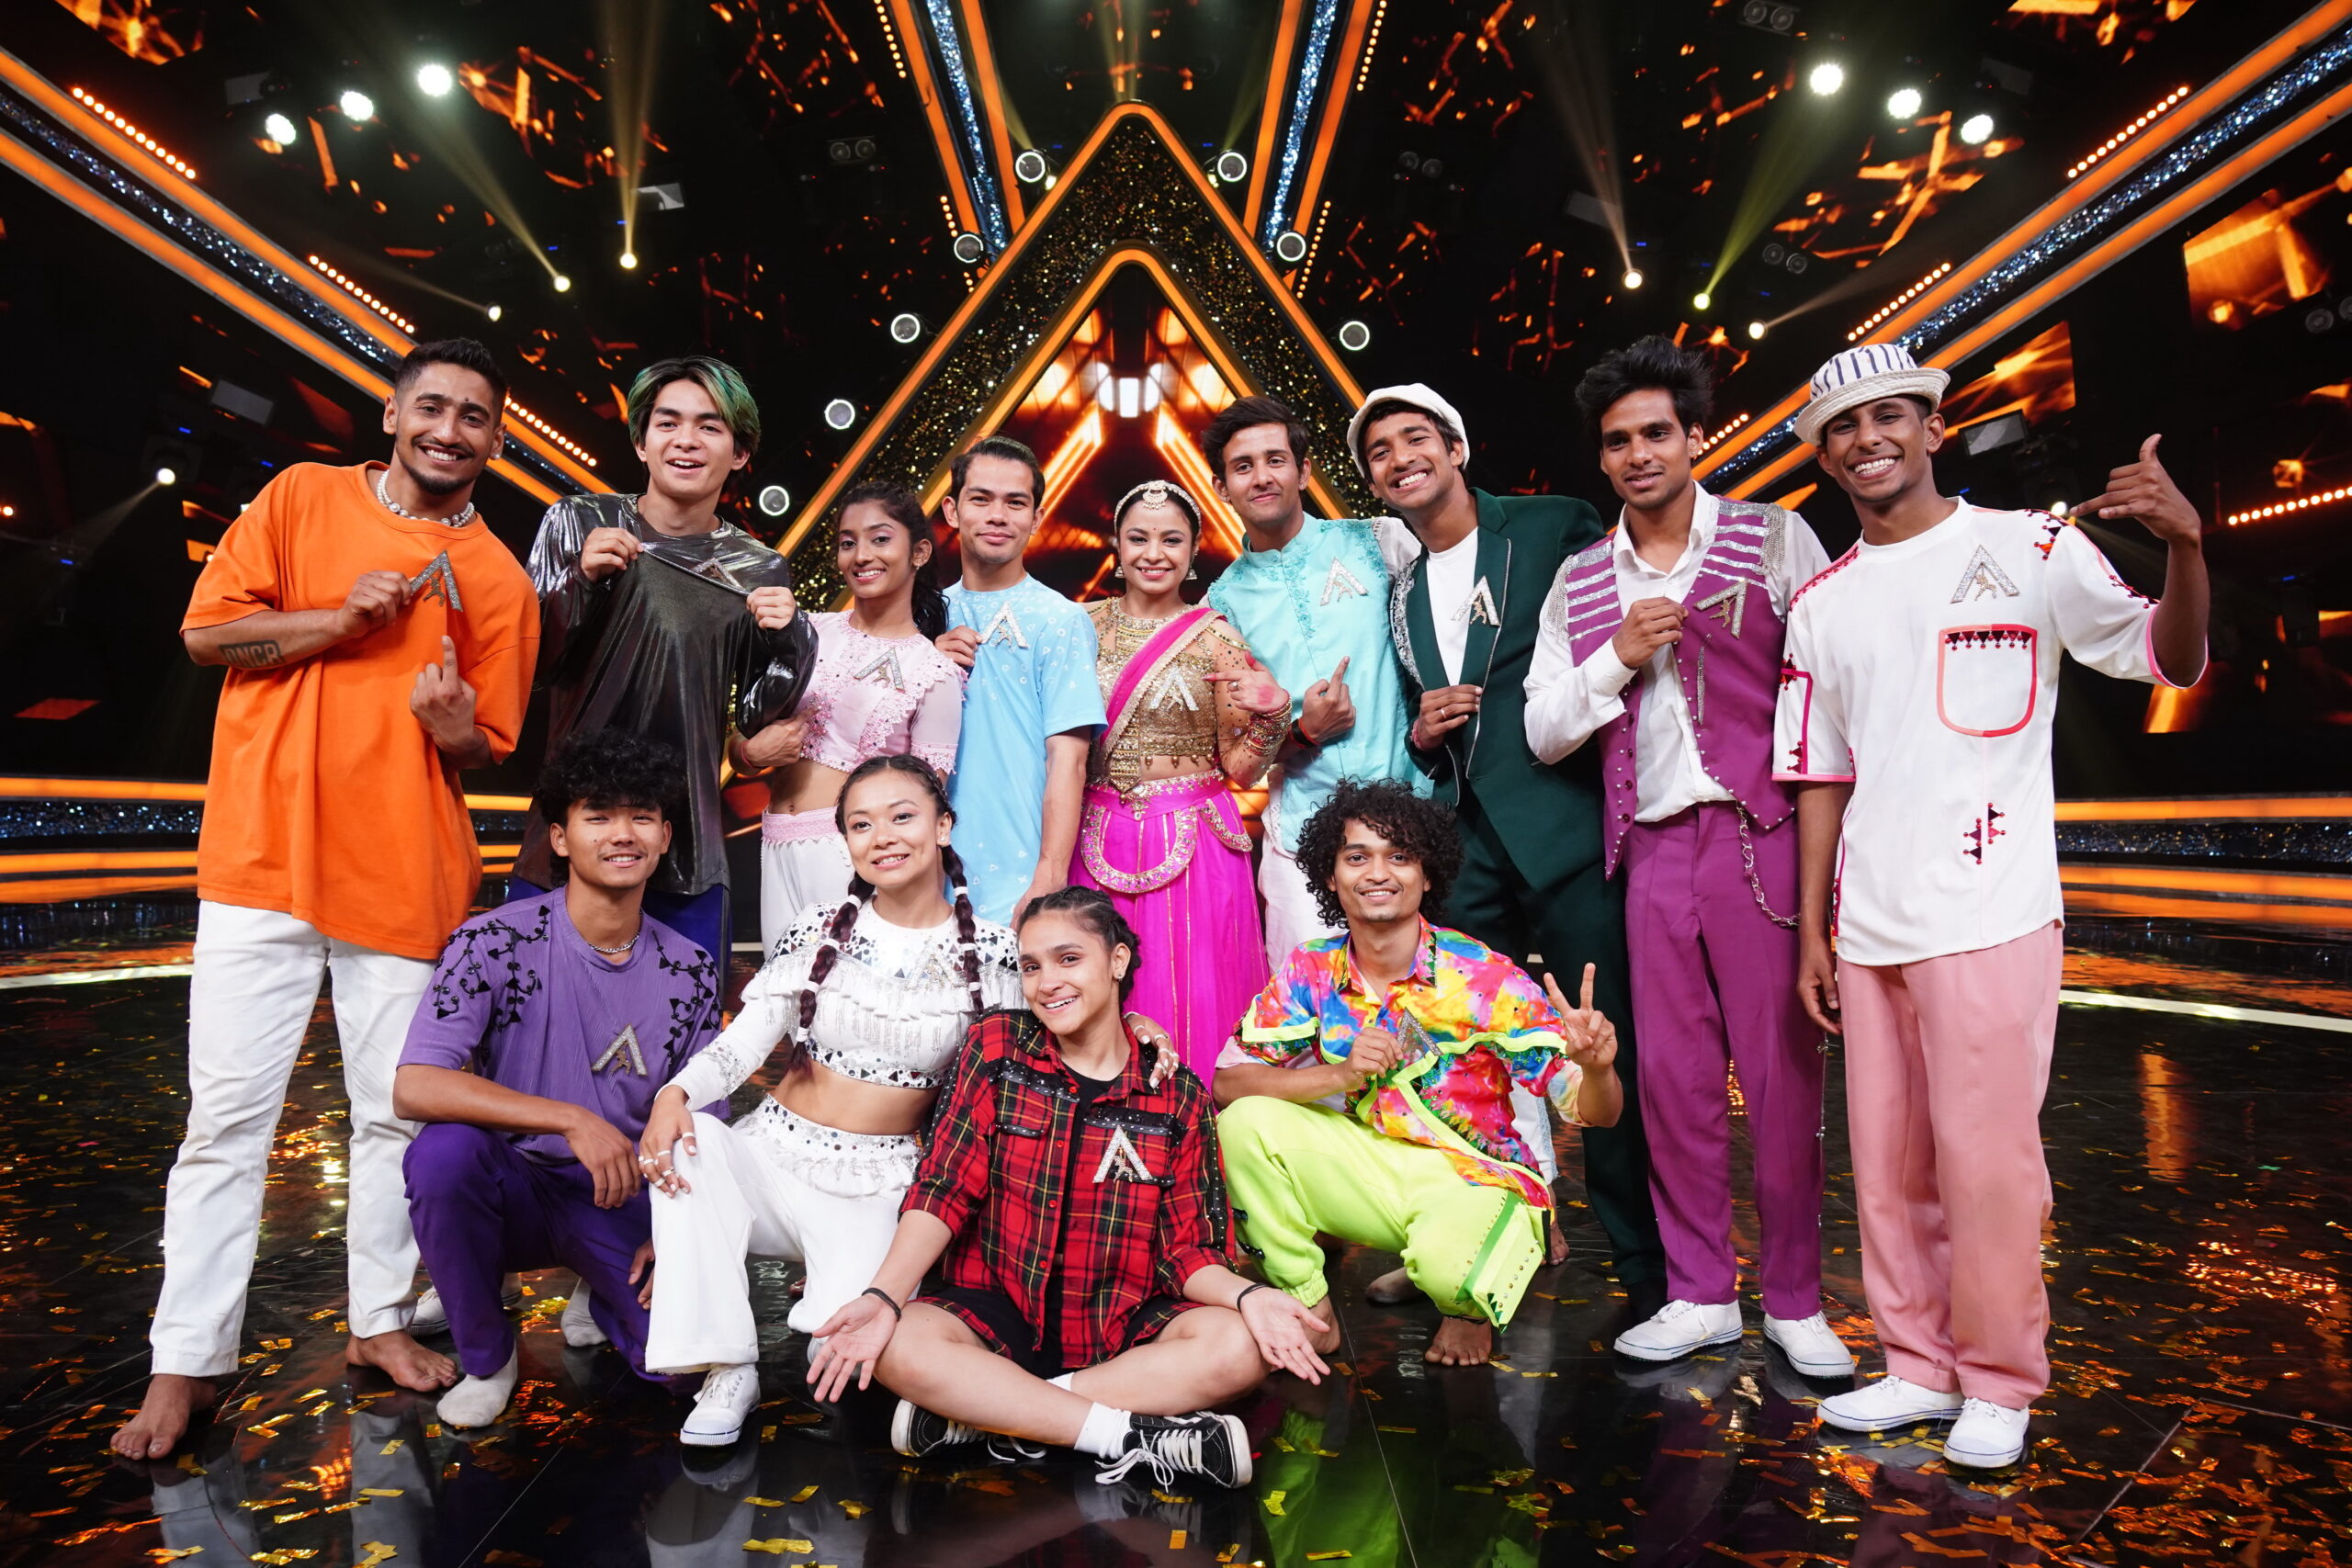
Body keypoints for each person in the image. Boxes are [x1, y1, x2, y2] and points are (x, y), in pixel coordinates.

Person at [1774, 344, 2209, 1467]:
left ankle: (2001, 1380)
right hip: (1868, 922)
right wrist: (1814, 930)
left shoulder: (2030, 548)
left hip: (1991, 909)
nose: (1866, 440)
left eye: (1888, 417)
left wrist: (2184, 546)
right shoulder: (1820, 602)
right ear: (1823, 458)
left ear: (1932, 427)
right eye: (1841, 428)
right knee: (1887, 1165)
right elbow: (1819, 774)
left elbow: (2164, 657)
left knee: (1988, 1165)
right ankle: (1916, 1365)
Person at [116, 339, 539, 1459]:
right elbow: (206, 635)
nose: (450, 430)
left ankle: (379, 1322)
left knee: (394, 1119)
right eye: (433, 407)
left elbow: (488, 745)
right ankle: (185, 1361)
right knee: (225, 1122)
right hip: (263, 861)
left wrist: (453, 725)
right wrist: (339, 623)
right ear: (393, 414)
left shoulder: (499, 579)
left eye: (475, 417)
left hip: (404, 873)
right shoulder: (302, 498)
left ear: (496, 440)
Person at [1521, 337, 1851, 1377]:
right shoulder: (1580, 581)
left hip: (1763, 838)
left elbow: (1834, 686)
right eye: (1618, 440)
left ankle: (1794, 1298)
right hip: (1650, 849)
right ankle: (1701, 1292)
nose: (1638, 454)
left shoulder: (1774, 539)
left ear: (1694, 436)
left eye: (1656, 432)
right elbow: (1542, 730)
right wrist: (1615, 658)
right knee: (1671, 1084)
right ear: (1601, 457)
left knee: (1783, 1080)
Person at [801, 886, 1333, 1490]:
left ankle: (988, 1413)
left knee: (1240, 1346)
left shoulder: (1177, 1094)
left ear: (1117, 960)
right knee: (898, 1342)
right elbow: (945, 1187)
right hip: (996, 1311)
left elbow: (1187, 1251)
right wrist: (883, 1296)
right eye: (1031, 966)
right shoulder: (997, 1048)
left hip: (1120, 1326)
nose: (1047, 982)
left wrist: (1249, 1296)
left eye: (1069, 958)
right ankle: (1122, 1435)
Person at [1357, 384, 1667, 1311]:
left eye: (1416, 437)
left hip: (1564, 828)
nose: (1401, 458)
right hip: (1465, 846)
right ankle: (1465, 1242)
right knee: (1458, 1056)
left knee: (1601, 1045)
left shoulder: (1548, 525)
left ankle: (1645, 1270)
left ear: (1455, 447)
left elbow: (1617, 614)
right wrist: (1422, 733)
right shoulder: (1401, 591)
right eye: (1380, 451)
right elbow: (1426, 719)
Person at [635, 754, 1022, 1446]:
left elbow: (1050, 1042)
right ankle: (728, 1367)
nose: (883, 837)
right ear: (845, 841)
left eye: (902, 816)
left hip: (881, 1184)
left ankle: (826, 1304)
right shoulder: (818, 928)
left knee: (838, 1353)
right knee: (692, 1137)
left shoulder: (995, 952)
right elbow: (743, 1044)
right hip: (771, 1160)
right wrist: (676, 1092)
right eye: (861, 824)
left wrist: (1132, 1024)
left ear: (943, 826)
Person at [1215, 781, 1626, 1368]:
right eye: (1357, 857)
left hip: (1478, 1177)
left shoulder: (1484, 976)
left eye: (1400, 856)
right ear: (1330, 876)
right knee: (1244, 1125)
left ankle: (1464, 1301)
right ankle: (1310, 1309)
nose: (1378, 873)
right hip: (1375, 1169)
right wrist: (1339, 1075)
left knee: (1450, 1274)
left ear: (1427, 875)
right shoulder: (1313, 967)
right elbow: (1228, 1083)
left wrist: (1598, 1068)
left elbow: (1595, 1113)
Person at [392, 729, 723, 1428]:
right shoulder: (492, 941)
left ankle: (601, 1287)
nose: (622, 833)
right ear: (561, 838)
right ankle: (488, 1357)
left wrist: (682, 1230)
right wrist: (571, 1119)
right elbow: (415, 1084)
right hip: (512, 1183)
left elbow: (707, 1118)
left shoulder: (690, 968)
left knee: (680, 1370)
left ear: (665, 836)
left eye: (641, 816)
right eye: (598, 816)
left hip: (621, 1191)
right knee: (442, 1154)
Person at [511, 354, 813, 965]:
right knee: (537, 1019)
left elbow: (756, 716)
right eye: (668, 423)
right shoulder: (578, 522)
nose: (686, 440)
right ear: (641, 442)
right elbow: (525, 664)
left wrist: (795, 641)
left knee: (683, 1024)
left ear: (740, 452)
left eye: (709, 426)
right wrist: (580, 580)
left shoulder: (758, 567)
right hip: (566, 841)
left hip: (688, 848)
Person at [1072, 478, 1290, 1082]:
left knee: (1196, 986)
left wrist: (1274, 715)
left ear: (1194, 552)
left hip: (1195, 844)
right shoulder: (1080, 627)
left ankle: (1195, 1124)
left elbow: (1241, 767)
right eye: (1138, 538)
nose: (1154, 553)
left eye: (1171, 540)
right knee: (1092, 978)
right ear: (1117, 545)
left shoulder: (1218, 638)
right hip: (1094, 832)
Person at [1200, 395, 1419, 964]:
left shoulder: (1380, 542)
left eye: (1275, 460)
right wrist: (1303, 732)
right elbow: (1232, 759)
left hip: (1413, 815)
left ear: (1303, 471)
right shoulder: (1220, 606)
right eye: (1243, 466)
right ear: (1222, 487)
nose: (1261, 477)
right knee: (1308, 1002)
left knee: (1424, 998)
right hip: (1301, 835)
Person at [756, 481, 964, 954]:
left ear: (919, 552)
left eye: (880, 539)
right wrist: (750, 752)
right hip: (774, 844)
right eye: (848, 542)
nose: (862, 555)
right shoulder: (805, 632)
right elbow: (740, 740)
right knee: (783, 995)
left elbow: (924, 808)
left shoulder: (933, 672)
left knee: (849, 996)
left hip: (852, 855)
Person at [934, 436, 1107, 923]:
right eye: (981, 499)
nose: (998, 516)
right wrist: (925, 663)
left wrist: (1048, 877)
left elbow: (1069, 761)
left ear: (1036, 517)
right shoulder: (926, 615)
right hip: (923, 873)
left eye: (1015, 502)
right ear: (952, 510)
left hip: (1021, 874)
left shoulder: (1061, 619)